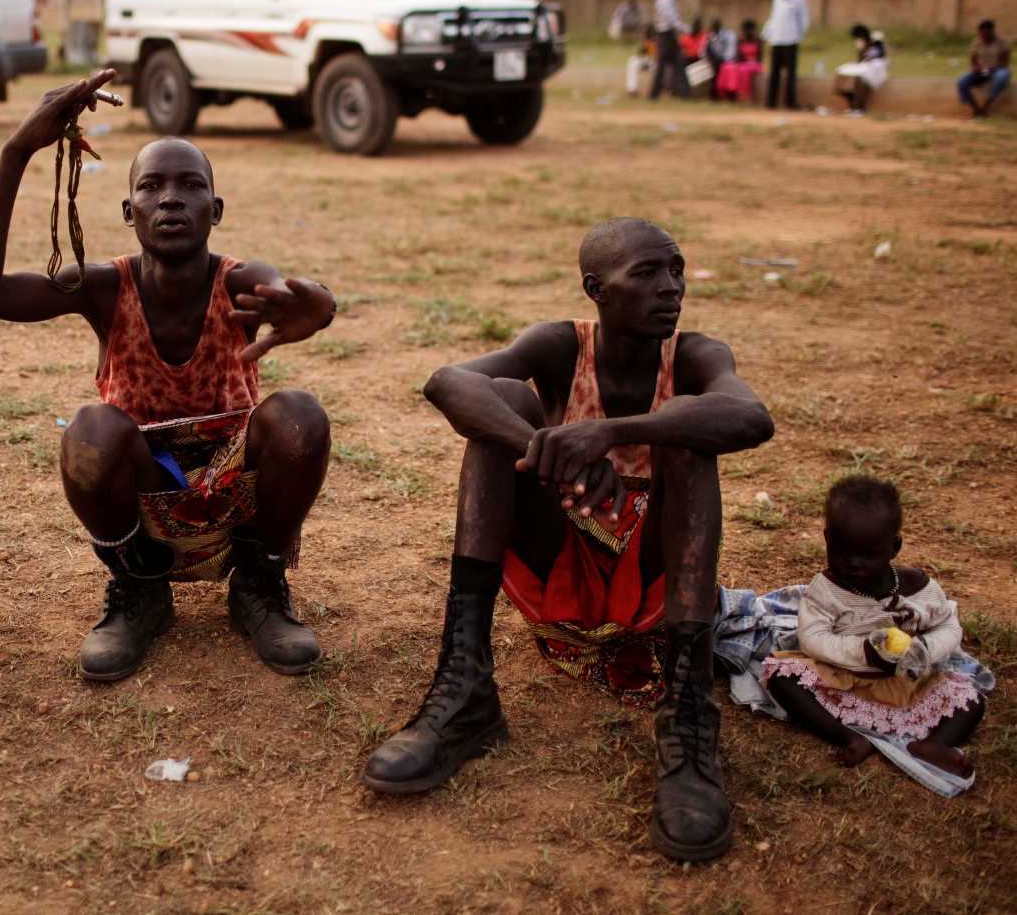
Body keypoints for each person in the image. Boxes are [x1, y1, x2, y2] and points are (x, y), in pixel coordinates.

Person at [361, 218, 774, 864]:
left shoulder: (696, 356)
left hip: (655, 601)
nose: (672, 287)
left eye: (678, 270)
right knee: (500, 405)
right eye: (647, 273)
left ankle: (689, 722)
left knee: (688, 430)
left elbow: (752, 417)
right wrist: (550, 448)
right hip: (561, 576)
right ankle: (466, 687)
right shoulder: (560, 347)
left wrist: (608, 433)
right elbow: (447, 380)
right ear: (596, 290)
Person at [0, 69, 336, 682]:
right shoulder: (105, 288)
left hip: (236, 489)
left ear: (215, 209)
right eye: (152, 186)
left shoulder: (236, 281)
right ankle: (140, 591)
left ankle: (259, 582)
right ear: (129, 210)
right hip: (141, 493)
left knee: (299, 415)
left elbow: (284, 287)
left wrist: (316, 303)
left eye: (190, 186)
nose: (171, 198)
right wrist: (16, 150)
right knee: (91, 430)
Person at [764, 477, 985, 779]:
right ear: (827, 539)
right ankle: (849, 737)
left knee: (971, 699)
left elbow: (948, 625)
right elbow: (812, 639)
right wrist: (864, 652)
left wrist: (924, 651)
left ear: (894, 547)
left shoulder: (919, 589)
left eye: (868, 555)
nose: (853, 563)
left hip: (905, 681)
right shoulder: (826, 589)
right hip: (842, 678)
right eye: (842, 552)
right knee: (780, 677)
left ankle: (934, 745)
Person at [761, 0, 809, 110]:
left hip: (791, 40)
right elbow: (773, 18)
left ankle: (790, 102)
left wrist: (800, 34)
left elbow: (804, 18)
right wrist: (766, 33)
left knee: (790, 73)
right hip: (777, 40)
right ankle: (771, 102)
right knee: (774, 73)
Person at [956, 19, 1011, 118]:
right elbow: (973, 60)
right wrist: (976, 68)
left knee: (1002, 76)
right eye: (981, 34)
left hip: (997, 70)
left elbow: (1004, 62)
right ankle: (976, 109)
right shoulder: (976, 43)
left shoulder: (1002, 43)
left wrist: (991, 68)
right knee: (961, 81)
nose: (983, 36)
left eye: (985, 34)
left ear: (992, 32)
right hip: (982, 71)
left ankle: (986, 106)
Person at [649, 0, 690, 100]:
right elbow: (672, 20)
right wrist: (686, 29)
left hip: (668, 35)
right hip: (665, 36)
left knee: (678, 63)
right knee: (665, 65)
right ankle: (655, 94)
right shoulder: (665, 0)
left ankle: (682, 93)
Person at [834, 25, 888, 115]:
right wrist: (862, 50)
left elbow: (878, 54)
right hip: (866, 68)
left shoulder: (876, 42)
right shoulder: (861, 46)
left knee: (860, 80)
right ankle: (853, 105)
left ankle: (858, 107)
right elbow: (861, 61)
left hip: (876, 70)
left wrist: (866, 49)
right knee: (842, 74)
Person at [715, 19, 763, 103]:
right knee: (726, 67)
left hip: (754, 64)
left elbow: (759, 58)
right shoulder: (741, 40)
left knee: (743, 70)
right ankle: (729, 94)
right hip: (743, 63)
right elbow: (738, 56)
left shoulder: (758, 40)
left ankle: (744, 96)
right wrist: (742, 60)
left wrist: (750, 60)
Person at [705, 18, 737, 101]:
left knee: (722, 68)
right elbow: (704, 51)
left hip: (726, 60)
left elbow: (731, 51)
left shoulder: (728, 35)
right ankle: (714, 95)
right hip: (714, 61)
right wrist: (708, 58)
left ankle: (727, 95)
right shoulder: (711, 36)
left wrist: (723, 59)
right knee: (713, 67)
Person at [625, 24, 656, 97]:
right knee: (632, 61)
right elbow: (640, 55)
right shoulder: (647, 43)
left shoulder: (661, 42)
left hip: (658, 64)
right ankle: (632, 89)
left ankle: (657, 90)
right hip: (648, 62)